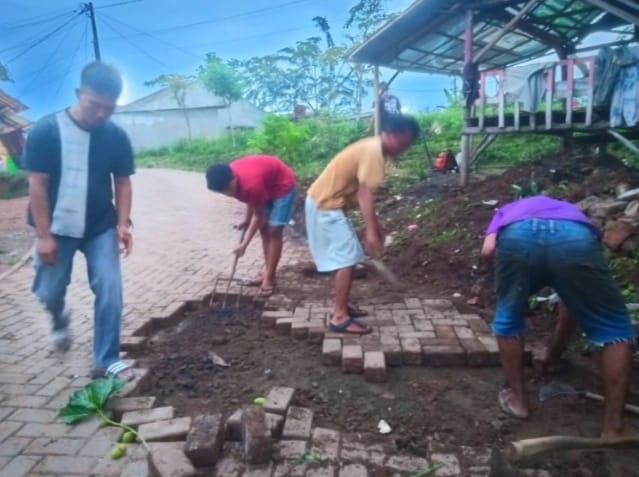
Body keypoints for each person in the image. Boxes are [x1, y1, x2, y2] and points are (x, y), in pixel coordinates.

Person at [480, 195, 636, 438]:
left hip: (519, 239)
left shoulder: (505, 211)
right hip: (575, 240)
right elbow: (570, 302)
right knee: (615, 329)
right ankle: (614, 426)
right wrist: (552, 357)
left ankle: (518, 400)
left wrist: (500, 281)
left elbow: (488, 249)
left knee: (508, 316)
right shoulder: (572, 213)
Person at [23, 61, 135, 380]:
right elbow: (37, 184)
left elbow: (123, 182)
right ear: (79, 94)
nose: (100, 114)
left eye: (108, 108)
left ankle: (106, 360)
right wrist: (44, 236)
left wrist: (123, 224)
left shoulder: (115, 136)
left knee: (110, 287)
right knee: (48, 290)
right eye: (94, 105)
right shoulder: (47, 130)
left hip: (100, 226)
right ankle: (59, 318)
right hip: (56, 227)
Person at [305, 115, 420, 334]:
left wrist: (376, 225)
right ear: (391, 134)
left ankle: (342, 305)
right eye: (402, 143)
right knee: (346, 258)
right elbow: (365, 193)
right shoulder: (374, 152)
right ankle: (339, 316)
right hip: (326, 205)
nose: (402, 150)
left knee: (347, 256)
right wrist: (370, 231)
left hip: (325, 203)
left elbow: (363, 192)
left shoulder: (372, 147)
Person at [206, 155, 296, 295]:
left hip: (282, 185)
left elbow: (258, 214)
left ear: (234, 177)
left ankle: (269, 277)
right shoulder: (230, 180)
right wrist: (246, 220)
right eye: (223, 192)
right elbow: (251, 200)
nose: (229, 194)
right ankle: (269, 273)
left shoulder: (251, 184)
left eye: (228, 189)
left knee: (274, 230)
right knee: (264, 230)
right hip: (264, 183)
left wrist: (244, 245)